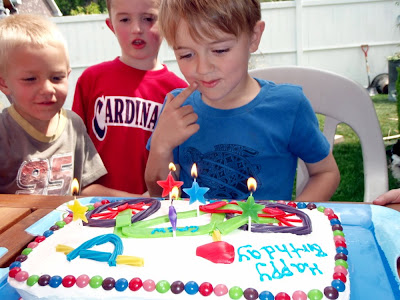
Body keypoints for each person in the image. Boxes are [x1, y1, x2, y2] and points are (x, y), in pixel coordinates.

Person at [145, 0, 340, 201]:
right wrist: (161, 147)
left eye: (220, 50)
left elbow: (325, 173)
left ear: (254, 37)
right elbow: (160, 196)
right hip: (194, 232)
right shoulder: (177, 109)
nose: (202, 68)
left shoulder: (289, 107)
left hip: (265, 231)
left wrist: (291, 215)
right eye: (186, 55)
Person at [0, 14, 139, 197]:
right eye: (30, 79)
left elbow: (84, 188)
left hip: (65, 224)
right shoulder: (4, 131)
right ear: (4, 84)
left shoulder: (73, 125)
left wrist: (138, 200)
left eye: (57, 78)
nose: (48, 89)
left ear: (68, 74)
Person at [72, 0, 188, 195]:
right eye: (125, 19)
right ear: (111, 25)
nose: (137, 29)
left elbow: (180, 161)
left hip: (152, 208)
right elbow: (74, 149)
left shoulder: (178, 92)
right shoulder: (91, 80)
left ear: (167, 23)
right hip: (96, 204)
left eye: (148, 19)